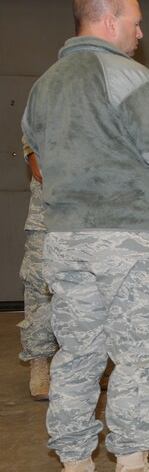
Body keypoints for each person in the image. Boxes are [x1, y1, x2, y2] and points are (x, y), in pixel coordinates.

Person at [21, 0, 149, 472]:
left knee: (77, 355)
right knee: (140, 355)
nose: (142, 34)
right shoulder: (127, 76)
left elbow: (38, 153)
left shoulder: (44, 86)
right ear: (108, 21)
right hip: (128, 238)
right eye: (136, 22)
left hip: (65, 240)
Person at [18, 144, 57, 401]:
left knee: (93, 289)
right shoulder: (49, 102)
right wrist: (32, 152)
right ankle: (40, 363)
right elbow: (31, 131)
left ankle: (94, 362)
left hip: (94, 214)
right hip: (48, 212)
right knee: (39, 287)